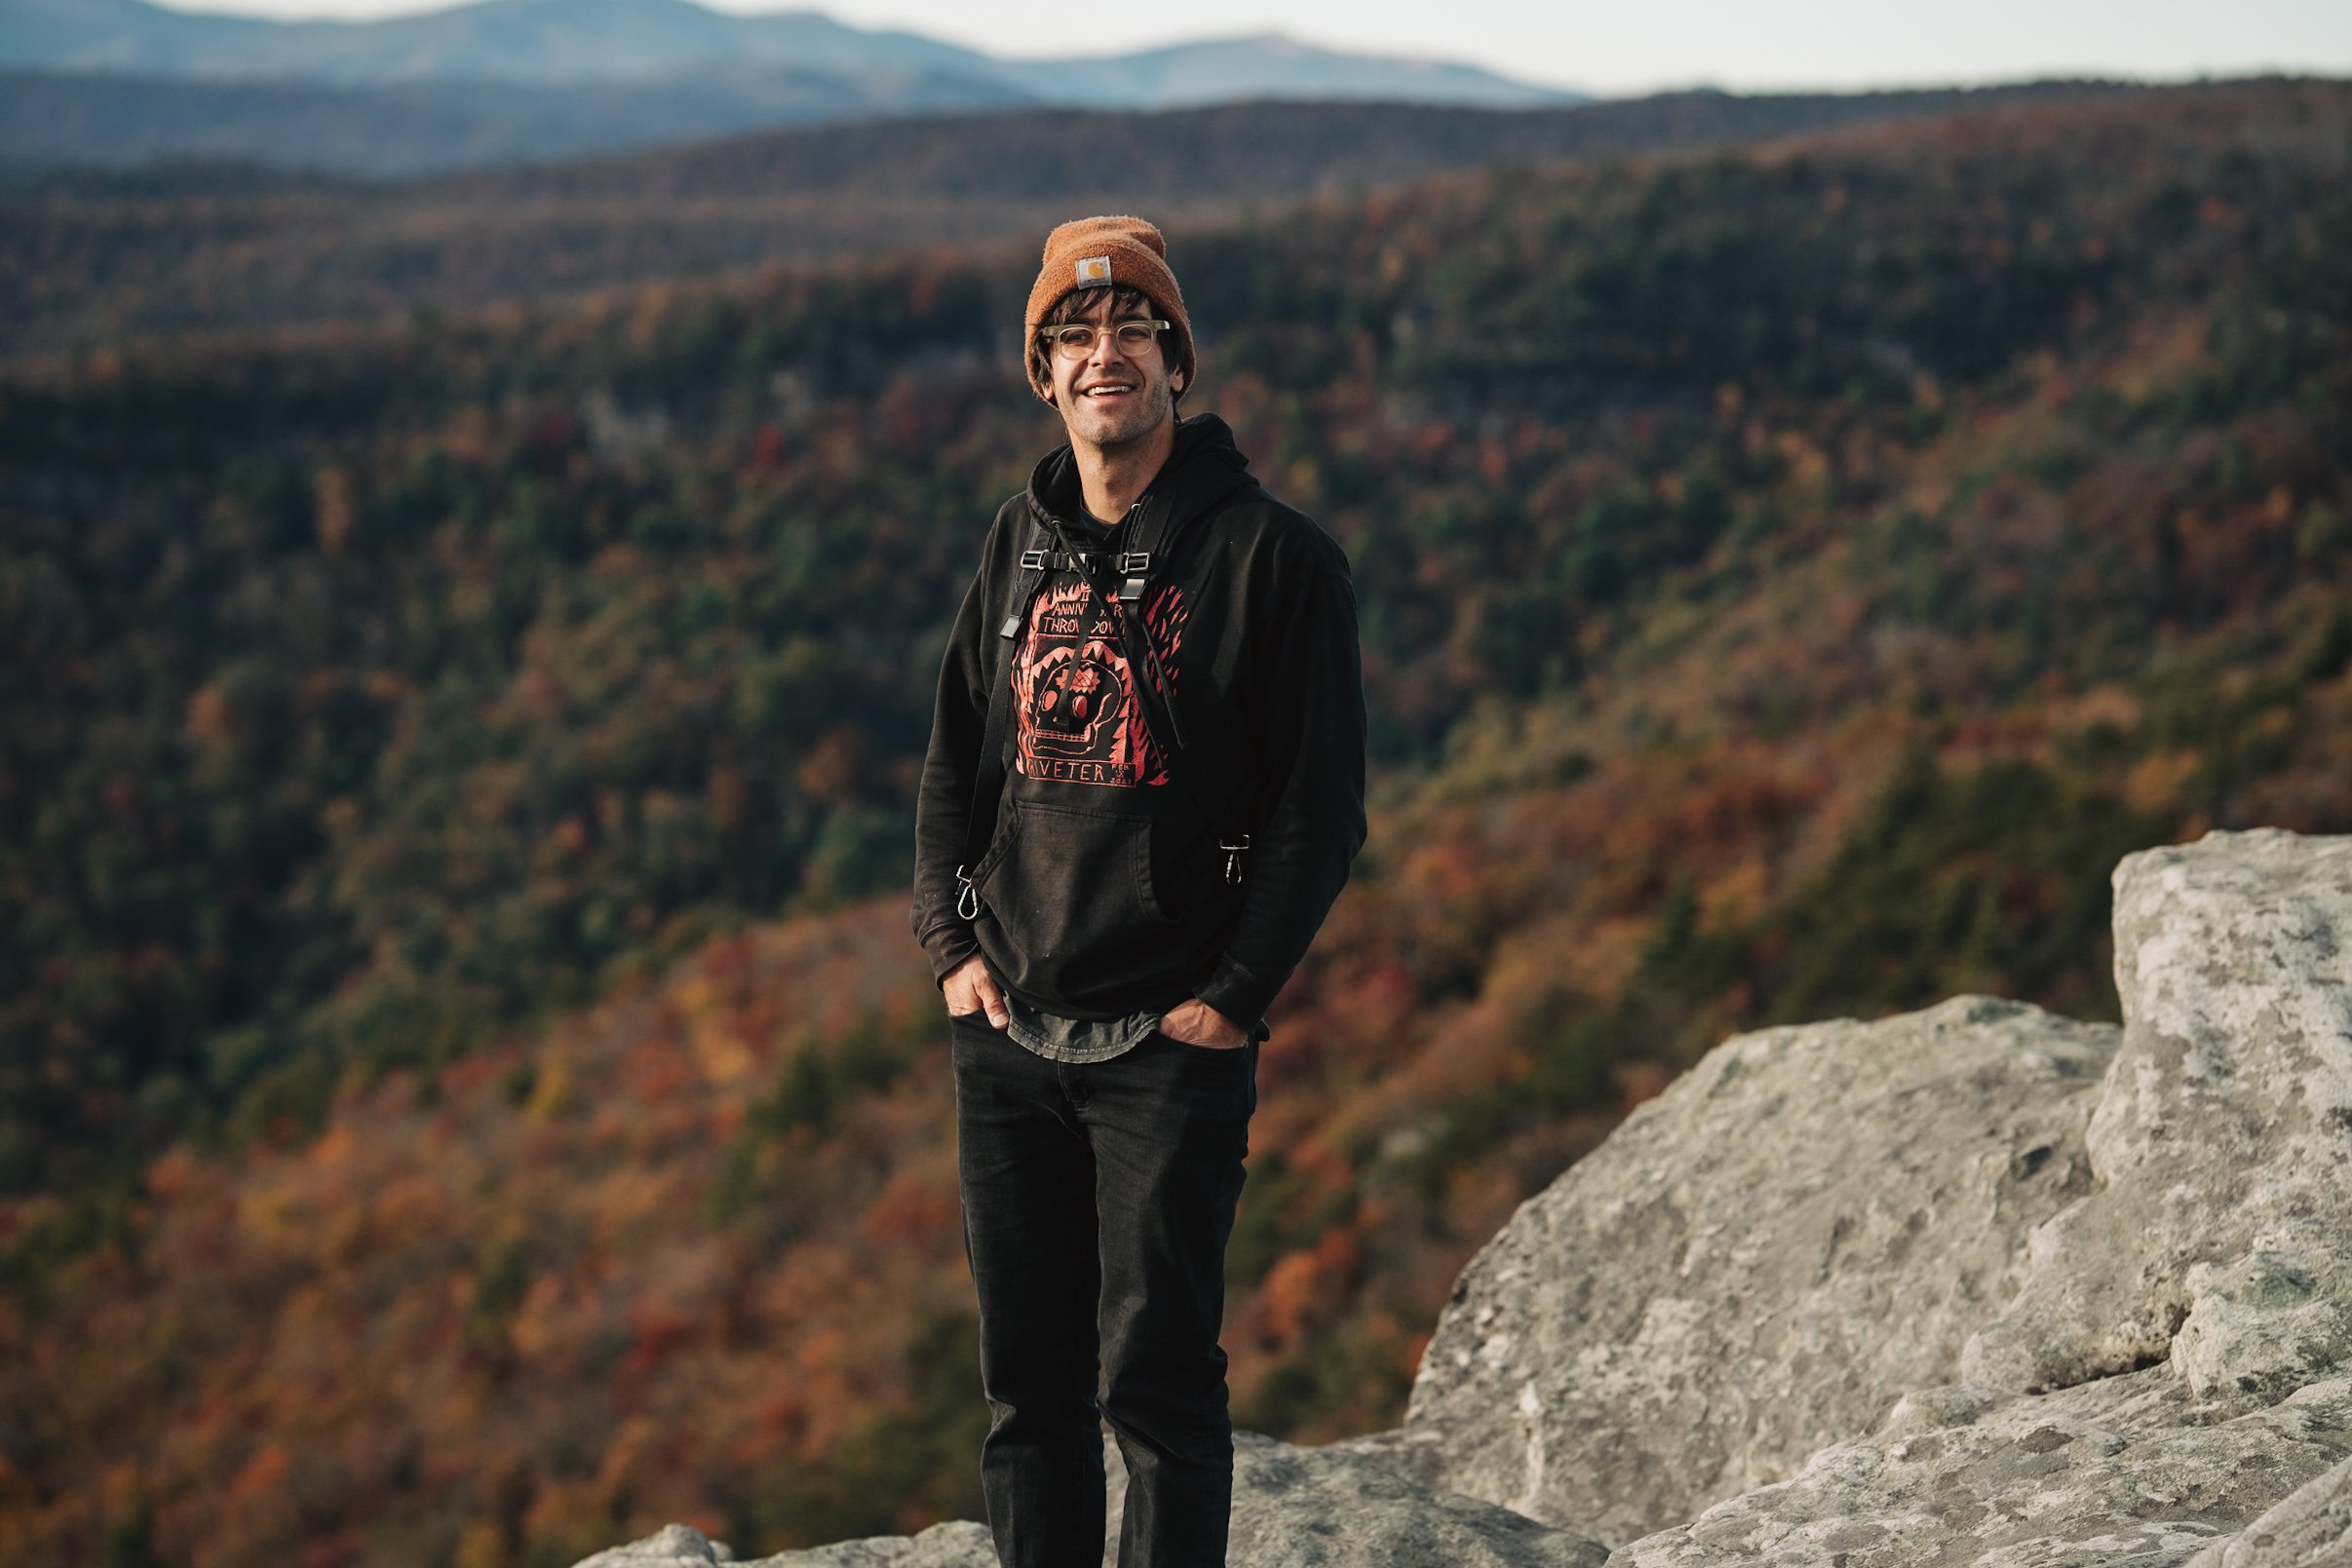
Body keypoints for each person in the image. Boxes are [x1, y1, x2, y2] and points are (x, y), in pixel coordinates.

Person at [909, 214, 1368, 1567]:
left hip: (1167, 1043)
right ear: (1042, 374)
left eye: (1132, 330)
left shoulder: (1274, 558)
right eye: (1073, 335)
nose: (1102, 353)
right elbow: (954, 764)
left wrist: (1229, 999)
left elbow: (1320, 813)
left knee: (1157, 1388)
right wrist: (950, 949)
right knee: (1027, 1392)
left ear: (1176, 362)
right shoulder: (1017, 540)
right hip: (1009, 1029)